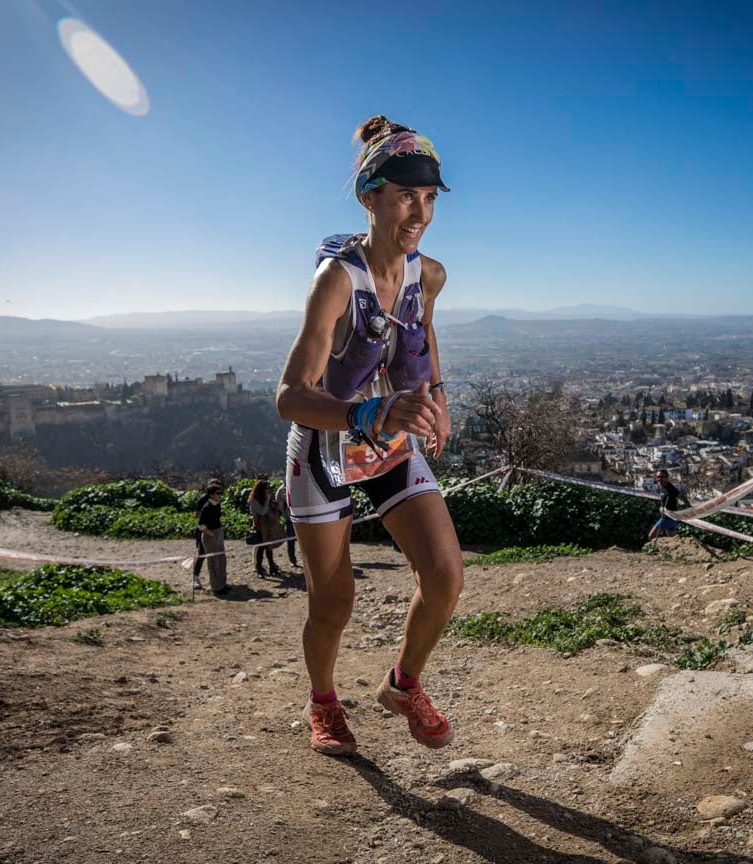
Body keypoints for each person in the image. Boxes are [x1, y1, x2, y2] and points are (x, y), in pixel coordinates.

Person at [276, 115, 461, 757]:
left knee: (444, 575)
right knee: (333, 600)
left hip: (389, 445)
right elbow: (289, 396)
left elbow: (423, 335)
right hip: (326, 448)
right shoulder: (338, 281)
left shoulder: (428, 275)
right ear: (371, 197)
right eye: (407, 195)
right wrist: (365, 415)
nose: (420, 211)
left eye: (431, 197)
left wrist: (436, 399)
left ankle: (403, 686)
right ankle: (323, 704)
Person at [193, 480, 228, 595]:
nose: (220, 495)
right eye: (218, 493)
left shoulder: (217, 504)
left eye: (221, 492)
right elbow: (200, 523)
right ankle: (215, 587)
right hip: (209, 535)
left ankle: (222, 584)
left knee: (221, 560)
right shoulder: (206, 506)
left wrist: (220, 529)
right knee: (211, 561)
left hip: (217, 533)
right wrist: (211, 534)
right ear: (211, 494)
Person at [248, 479, 282, 577]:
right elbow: (262, 511)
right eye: (266, 488)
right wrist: (267, 500)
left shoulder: (264, 498)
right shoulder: (253, 500)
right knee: (261, 547)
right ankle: (259, 568)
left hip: (268, 526)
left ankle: (272, 567)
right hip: (259, 526)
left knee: (269, 547)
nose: (268, 490)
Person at [271, 482, 299, 568]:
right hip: (289, 519)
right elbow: (279, 506)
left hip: (301, 518)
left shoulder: (297, 486)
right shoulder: (281, 490)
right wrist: (285, 515)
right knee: (291, 541)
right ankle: (292, 560)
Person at [648, 469, 681, 540]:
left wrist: (688, 506)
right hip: (672, 519)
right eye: (658, 477)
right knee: (672, 539)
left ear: (667, 477)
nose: (660, 479)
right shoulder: (664, 488)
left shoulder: (671, 489)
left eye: (662, 477)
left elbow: (680, 496)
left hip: (667, 518)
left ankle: (655, 549)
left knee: (651, 536)